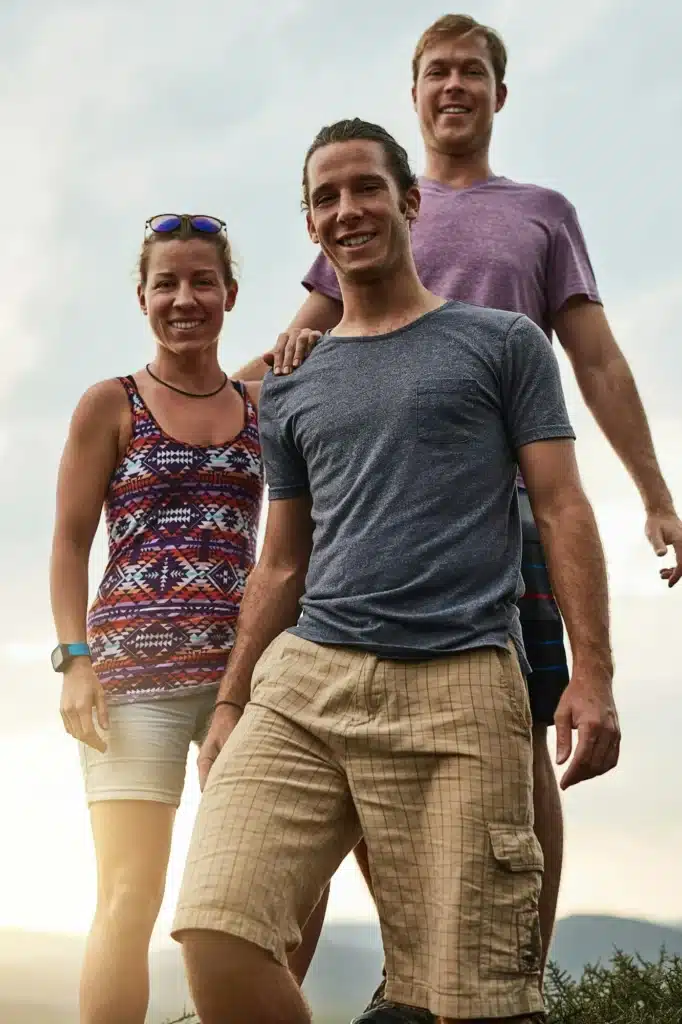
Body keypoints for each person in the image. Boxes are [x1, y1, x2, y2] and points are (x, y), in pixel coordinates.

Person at [240, 14, 682, 1007]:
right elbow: (291, 351)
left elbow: (598, 360)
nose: (453, 85)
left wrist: (655, 494)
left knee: (513, 734)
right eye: (435, 70)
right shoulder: (367, 201)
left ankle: (509, 971)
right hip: (367, 514)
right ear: (413, 93)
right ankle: (396, 969)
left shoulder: (540, 214)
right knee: (343, 727)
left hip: (507, 506)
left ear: (497, 93)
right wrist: (179, 418)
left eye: (471, 71)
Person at [171, 118, 620, 1024]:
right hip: (307, 681)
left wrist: (593, 673)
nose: (348, 210)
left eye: (366, 188)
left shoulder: (502, 345)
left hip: (461, 684)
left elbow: (565, 506)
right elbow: (283, 559)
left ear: (411, 202)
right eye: (326, 198)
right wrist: (228, 701)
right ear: (310, 226)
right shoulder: (294, 385)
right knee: (218, 936)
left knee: (467, 1001)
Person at [49, 213, 317, 1024]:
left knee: (283, 894)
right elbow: (67, 544)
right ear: (142, 297)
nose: (185, 298)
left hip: (248, 684)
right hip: (132, 690)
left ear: (230, 294)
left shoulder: (265, 406)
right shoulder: (110, 404)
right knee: (128, 899)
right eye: (167, 283)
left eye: (203, 281)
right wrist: (75, 660)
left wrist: (304, 350)